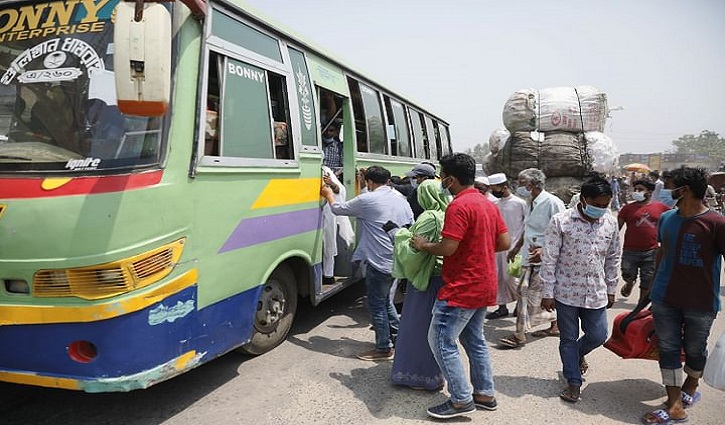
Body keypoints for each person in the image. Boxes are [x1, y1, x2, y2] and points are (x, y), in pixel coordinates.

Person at [411, 153, 510, 419]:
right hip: (484, 283)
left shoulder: (459, 206)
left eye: (442, 176)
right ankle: (485, 394)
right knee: (474, 340)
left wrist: (423, 245)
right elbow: (504, 243)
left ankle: (461, 400)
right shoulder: (487, 204)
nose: (441, 181)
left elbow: (448, 247)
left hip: (462, 286)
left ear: (450, 179)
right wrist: (476, 247)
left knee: (441, 339)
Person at [641, 166, 725, 425]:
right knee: (668, 349)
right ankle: (675, 404)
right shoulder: (666, 218)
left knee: (695, 350)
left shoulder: (716, 223)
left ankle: (690, 385)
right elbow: (662, 252)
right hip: (665, 298)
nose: (666, 190)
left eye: (670, 184)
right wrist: (650, 290)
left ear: (684, 190)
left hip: (701, 302)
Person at [540, 176, 621, 403]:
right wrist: (547, 292)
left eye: (606, 205)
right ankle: (573, 382)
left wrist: (612, 287)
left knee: (598, 335)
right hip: (565, 291)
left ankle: (578, 354)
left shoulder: (610, 222)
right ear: (584, 200)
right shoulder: (561, 221)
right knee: (568, 338)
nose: (602, 209)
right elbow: (550, 258)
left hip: (596, 292)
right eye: (598, 205)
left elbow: (613, 257)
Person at [321, 165, 413, 361]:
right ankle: (401, 339)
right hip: (398, 259)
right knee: (386, 301)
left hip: (379, 261)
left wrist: (329, 194)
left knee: (377, 305)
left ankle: (383, 348)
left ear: (370, 182)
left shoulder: (367, 200)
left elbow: (338, 209)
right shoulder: (400, 198)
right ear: (388, 180)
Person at [391, 179, 449, 391]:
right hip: (441, 278)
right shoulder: (447, 214)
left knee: (417, 328)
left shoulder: (428, 217)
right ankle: (434, 374)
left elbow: (414, 250)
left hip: (425, 279)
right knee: (434, 329)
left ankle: (417, 376)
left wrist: (398, 234)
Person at [500, 168, 565, 348]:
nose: (519, 187)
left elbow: (563, 231)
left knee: (525, 292)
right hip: (529, 256)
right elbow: (527, 229)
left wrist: (545, 250)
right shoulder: (529, 201)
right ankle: (554, 325)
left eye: (522, 183)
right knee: (531, 293)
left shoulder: (552, 202)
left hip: (546, 258)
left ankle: (520, 334)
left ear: (533, 184)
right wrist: (516, 248)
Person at [617, 179, 670, 302]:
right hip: (630, 250)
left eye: (640, 190)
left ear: (650, 192)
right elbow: (616, 229)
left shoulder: (660, 208)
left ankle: (640, 305)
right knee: (627, 274)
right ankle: (630, 283)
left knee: (648, 279)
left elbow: (673, 218)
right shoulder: (627, 209)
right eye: (635, 189)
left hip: (651, 251)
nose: (637, 192)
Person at [486, 173, 527, 319]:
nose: (492, 191)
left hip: (516, 248)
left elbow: (526, 225)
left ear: (504, 187)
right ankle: (502, 307)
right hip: (498, 248)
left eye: (494, 188)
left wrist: (518, 246)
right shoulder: (495, 205)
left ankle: (520, 305)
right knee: (499, 278)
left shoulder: (520, 203)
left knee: (513, 279)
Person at [321, 166, 355, 285]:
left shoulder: (325, 171)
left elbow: (339, 190)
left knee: (329, 245)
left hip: (328, 214)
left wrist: (331, 184)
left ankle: (328, 274)